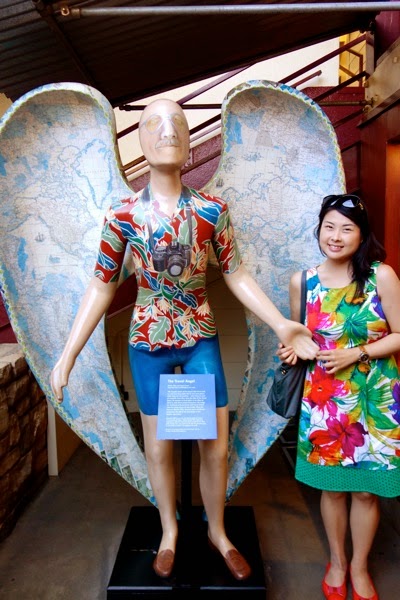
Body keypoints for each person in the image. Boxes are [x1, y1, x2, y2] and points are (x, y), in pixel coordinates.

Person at [50, 98, 317, 581]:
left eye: (178, 123)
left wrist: (281, 323)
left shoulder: (212, 211)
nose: (168, 132)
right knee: (158, 447)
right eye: (154, 124)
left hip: (199, 336)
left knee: (214, 442)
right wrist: (68, 353)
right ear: (139, 140)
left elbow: (236, 274)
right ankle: (169, 531)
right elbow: (101, 285)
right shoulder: (123, 215)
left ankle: (218, 530)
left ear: (190, 141)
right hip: (147, 340)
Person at [278, 193, 400, 600]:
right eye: (329, 226)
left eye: (347, 228)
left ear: (362, 235)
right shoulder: (303, 282)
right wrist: (292, 350)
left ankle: (360, 567)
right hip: (326, 401)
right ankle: (337, 562)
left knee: (365, 491)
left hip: (375, 399)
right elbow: (299, 338)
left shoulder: (381, 276)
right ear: (319, 230)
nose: (335, 236)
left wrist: (358, 352)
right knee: (332, 489)